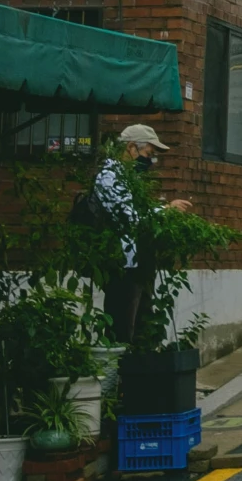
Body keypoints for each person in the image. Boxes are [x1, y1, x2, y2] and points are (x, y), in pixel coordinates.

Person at [94, 125, 192, 345]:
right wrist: (166, 210)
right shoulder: (110, 177)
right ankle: (117, 376)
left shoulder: (126, 178)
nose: (150, 161)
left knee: (139, 326)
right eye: (149, 154)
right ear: (131, 148)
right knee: (121, 328)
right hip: (120, 264)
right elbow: (130, 218)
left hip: (134, 263)